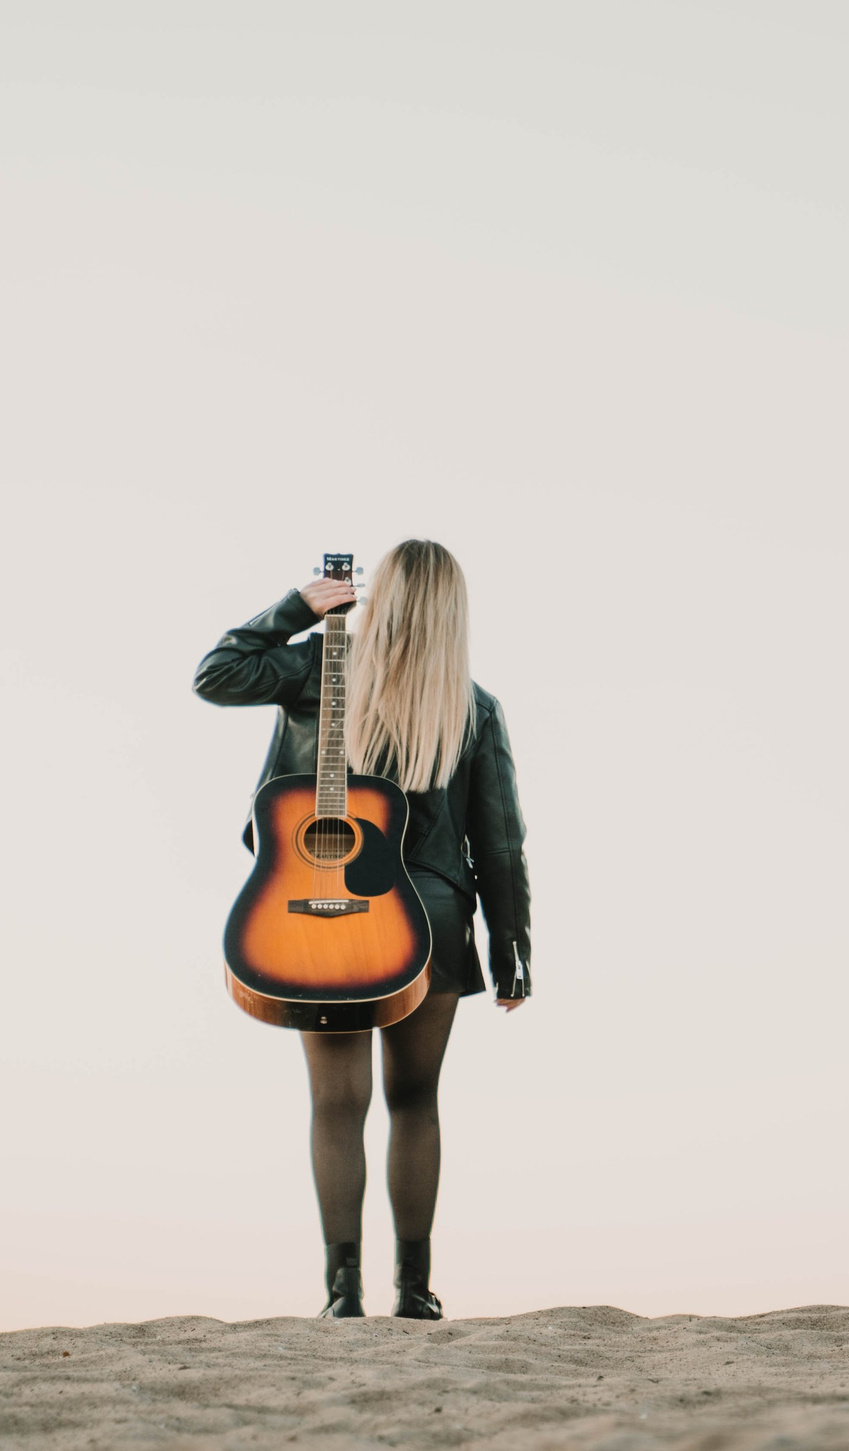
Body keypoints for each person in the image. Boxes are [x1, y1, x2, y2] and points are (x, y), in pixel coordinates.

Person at [193, 539, 532, 1319]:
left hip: (317, 912)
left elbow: (216, 673)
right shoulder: (472, 706)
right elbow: (501, 842)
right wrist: (512, 955)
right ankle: (416, 1293)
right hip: (434, 922)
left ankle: (341, 1295)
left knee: (334, 1104)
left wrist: (294, 608)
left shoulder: (319, 667)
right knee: (416, 1101)